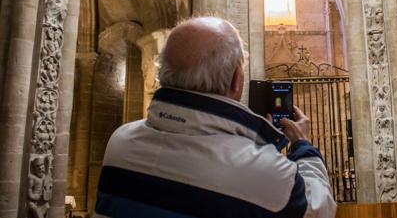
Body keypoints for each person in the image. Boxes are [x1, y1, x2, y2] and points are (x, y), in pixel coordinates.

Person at [94, 17, 336, 218]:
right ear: (236, 80)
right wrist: (302, 145)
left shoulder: (120, 143)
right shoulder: (264, 172)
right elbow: (320, 207)